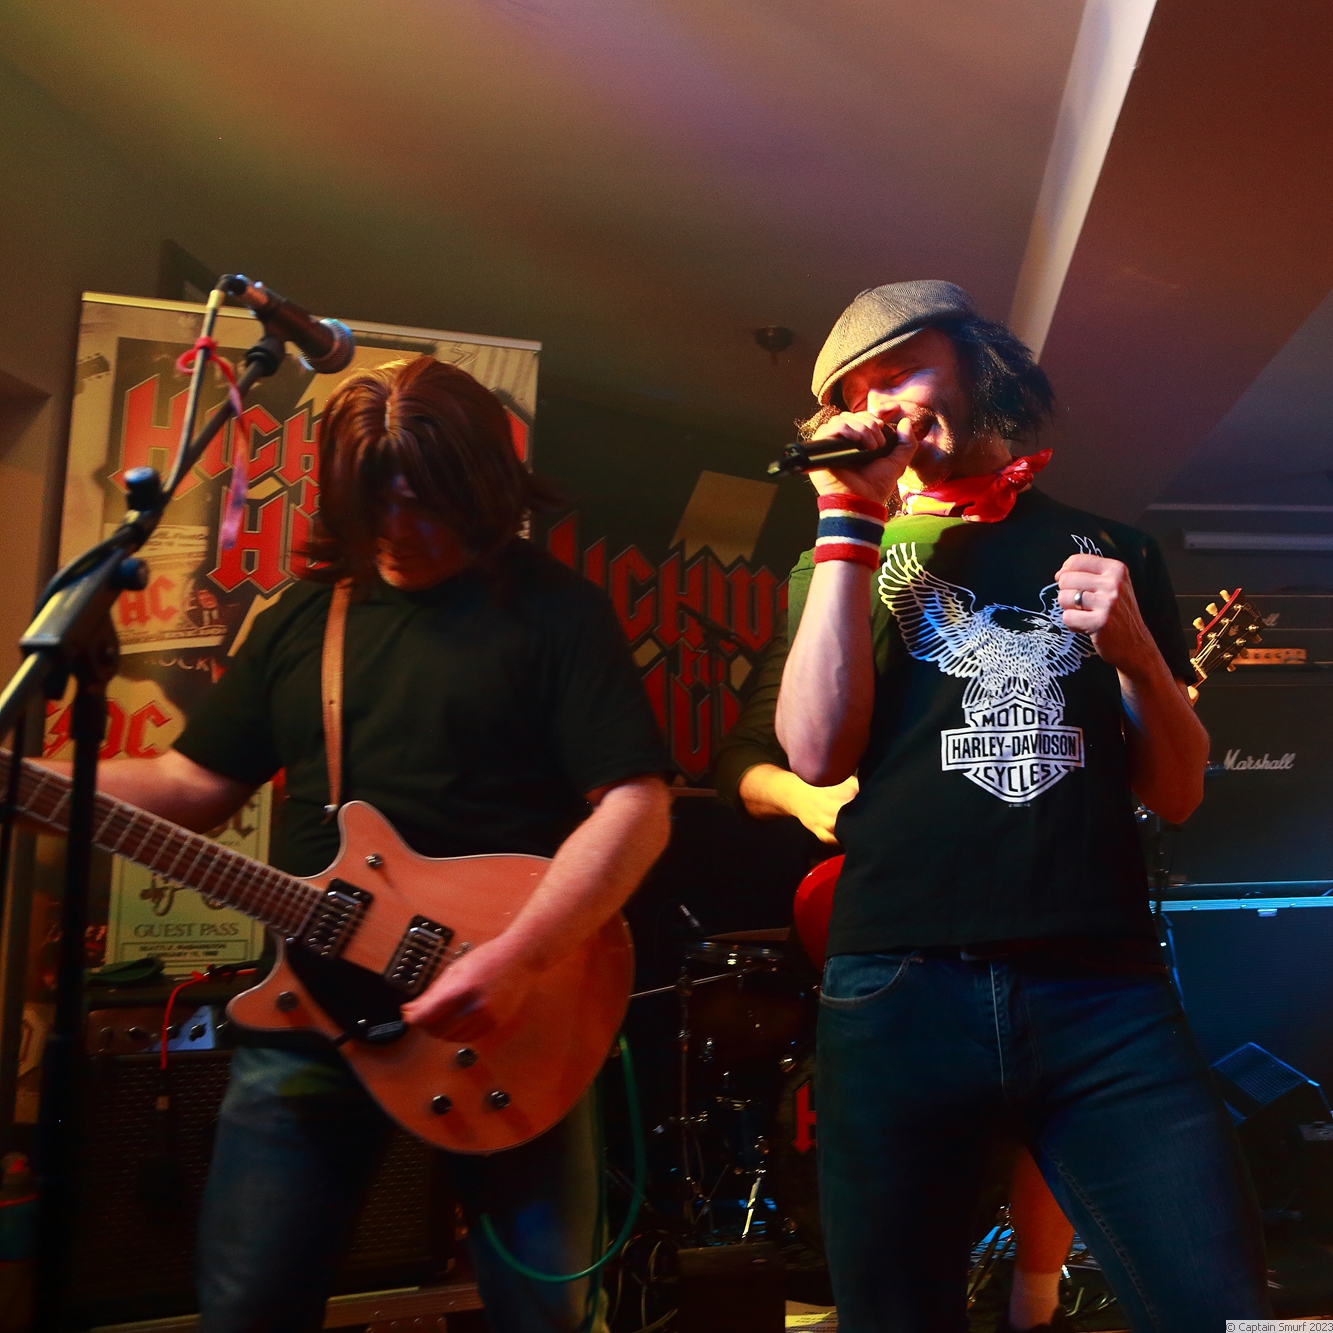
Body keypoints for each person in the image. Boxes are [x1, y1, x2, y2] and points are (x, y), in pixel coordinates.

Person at [67, 355, 672, 1333]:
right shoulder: (306, 616)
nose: (398, 526)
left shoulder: (556, 611)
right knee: (249, 1309)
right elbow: (191, 786)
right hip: (311, 1015)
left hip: (513, 1013)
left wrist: (519, 959)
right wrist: (31, 781)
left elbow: (636, 807)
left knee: (547, 1315)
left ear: (482, 488)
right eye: (374, 501)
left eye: (424, 501)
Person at [774, 281, 1270, 1332]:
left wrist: (1135, 651)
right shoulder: (842, 560)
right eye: (856, 395)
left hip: (1099, 984)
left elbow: (1177, 790)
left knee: (1225, 1304)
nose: (882, 404)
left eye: (901, 370)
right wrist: (846, 523)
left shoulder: (1112, 548)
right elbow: (813, 752)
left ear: (974, 363)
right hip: (900, 984)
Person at [715, 635, 1078, 1332]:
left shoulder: (1033, 622)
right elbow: (740, 761)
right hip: (884, 920)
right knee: (909, 1143)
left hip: (1018, 902)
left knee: (1053, 1107)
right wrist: (804, 796)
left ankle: (1033, 1307)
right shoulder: (840, 614)